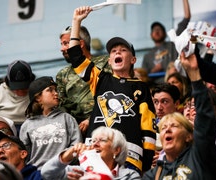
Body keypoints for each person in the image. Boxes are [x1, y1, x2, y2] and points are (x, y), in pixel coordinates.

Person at [67, 6, 157, 174]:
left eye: (123, 50)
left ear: (133, 59)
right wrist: (76, 21)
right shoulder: (101, 79)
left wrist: (146, 165)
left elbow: (148, 129)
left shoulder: (141, 88)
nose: (118, 52)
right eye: (114, 51)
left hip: (130, 158)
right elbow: (75, 56)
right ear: (109, 60)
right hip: (93, 154)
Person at [143, 51, 216, 180]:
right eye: (164, 127)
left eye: (174, 126)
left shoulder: (200, 157)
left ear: (189, 136)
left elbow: (205, 119)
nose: (167, 129)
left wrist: (194, 76)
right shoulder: (153, 174)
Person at [56, 25, 111, 136]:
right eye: (61, 44)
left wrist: (92, 118)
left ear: (80, 44)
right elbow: (62, 106)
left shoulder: (105, 62)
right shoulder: (62, 74)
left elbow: (113, 94)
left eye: (66, 43)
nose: (62, 49)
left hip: (107, 123)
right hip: (77, 131)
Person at [20, 76, 82, 169]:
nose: (56, 93)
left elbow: (77, 146)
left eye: (56, 90)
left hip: (65, 171)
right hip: (37, 174)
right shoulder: (27, 125)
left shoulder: (67, 118)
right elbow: (23, 155)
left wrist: (64, 161)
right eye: (50, 90)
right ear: (38, 98)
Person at [41, 126, 141, 180]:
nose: (95, 145)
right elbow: (47, 174)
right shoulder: (80, 171)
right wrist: (69, 153)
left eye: (103, 140)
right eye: (93, 141)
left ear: (116, 150)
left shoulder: (130, 175)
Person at [142, 0, 191, 83]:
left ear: (165, 33)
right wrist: (153, 71)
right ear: (151, 35)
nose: (157, 31)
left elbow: (187, 17)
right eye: (154, 30)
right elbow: (142, 77)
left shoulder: (174, 43)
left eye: (159, 29)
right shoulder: (147, 56)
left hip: (178, 84)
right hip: (157, 89)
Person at [0, 60, 35, 132]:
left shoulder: (37, 92)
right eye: (16, 88)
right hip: (5, 132)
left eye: (24, 87)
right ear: (8, 82)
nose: (20, 91)